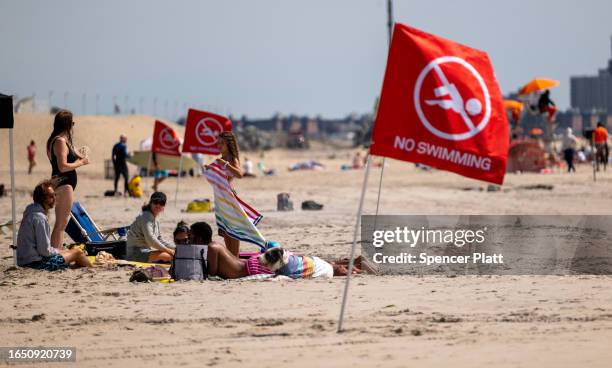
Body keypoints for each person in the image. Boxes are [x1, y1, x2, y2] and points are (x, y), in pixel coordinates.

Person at [16, 179, 92, 270]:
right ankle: (94, 269)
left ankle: (86, 267)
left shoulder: (31, 212)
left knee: (71, 256)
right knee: (77, 253)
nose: (55, 198)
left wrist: (61, 251)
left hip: (24, 261)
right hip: (36, 264)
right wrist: (59, 251)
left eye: (55, 195)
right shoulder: (39, 218)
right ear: (42, 198)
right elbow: (44, 251)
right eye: (51, 196)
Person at [46, 110, 89, 248]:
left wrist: (82, 154)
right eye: (72, 123)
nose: (73, 125)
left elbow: (78, 154)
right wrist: (81, 163)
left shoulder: (63, 140)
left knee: (61, 224)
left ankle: (56, 252)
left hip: (64, 184)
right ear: (67, 124)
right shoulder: (59, 141)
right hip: (64, 184)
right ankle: (56, 253)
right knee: (61, 224)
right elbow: (63, 166)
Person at [204, 132, 251, 257]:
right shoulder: (219, 159)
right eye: (218, 143)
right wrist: (210, 170)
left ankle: (235, 258)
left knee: (233, 229)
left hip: (230, 198)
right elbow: (216, 180)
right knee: (225, 231)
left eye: (222, 143)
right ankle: (231, 259)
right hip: (220, 199)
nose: (219, 145)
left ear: (228, 144)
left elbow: (240, 175)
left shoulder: (231, 159)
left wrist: (224, 164)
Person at [188, 221, 272, 279]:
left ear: (199, 239)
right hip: (250, 266)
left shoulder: (211, 247)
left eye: (190, 237)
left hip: (251, 268)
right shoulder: (214, 245)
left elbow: (211, 273)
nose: (189, 241)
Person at [126, 192, 175, 263]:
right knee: (171, 257)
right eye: (155, 202)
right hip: (136, 254)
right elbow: (151, 240)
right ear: (150, 203)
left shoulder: (155, 219)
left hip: (145, 251)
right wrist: (169, 250)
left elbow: (159, 239)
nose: (158, 205)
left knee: (176, 254)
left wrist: (176, 247)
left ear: (164, 206)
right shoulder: (146, 216)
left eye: (161, 203)